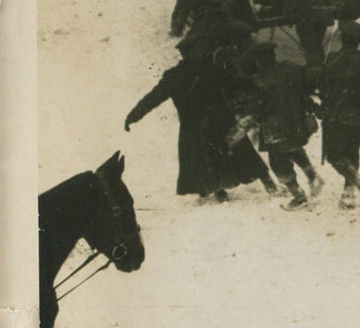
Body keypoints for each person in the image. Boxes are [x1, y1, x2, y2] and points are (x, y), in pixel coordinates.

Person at [124, 34, 272, 203]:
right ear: (194, 51)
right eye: (200, 48)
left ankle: (219, 191)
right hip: (220, 121)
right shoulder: (209, 70)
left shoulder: (174, 76)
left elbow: (153, 98)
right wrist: (259, 82)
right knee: (243, 153)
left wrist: (133, 116)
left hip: (193, 127)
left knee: (205, 158)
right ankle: (270, 186)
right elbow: (235, 83)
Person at [243, 40, 324, 209]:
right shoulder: (291, 68)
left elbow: (256, 109)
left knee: (279, 164)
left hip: (275, 127)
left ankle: (298, 196)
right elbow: (306, 86)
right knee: (294, 149)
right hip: (296, 121)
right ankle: (313, 177)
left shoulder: (259, 81)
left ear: (259, 60)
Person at [318, 20, 360, 209]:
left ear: (342, 39)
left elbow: (322, 85)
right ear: (359, 41)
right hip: (359, 115)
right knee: (352, 152)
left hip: (335, 115)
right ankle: (348, 194)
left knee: (334, 156)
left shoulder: (332, 59)